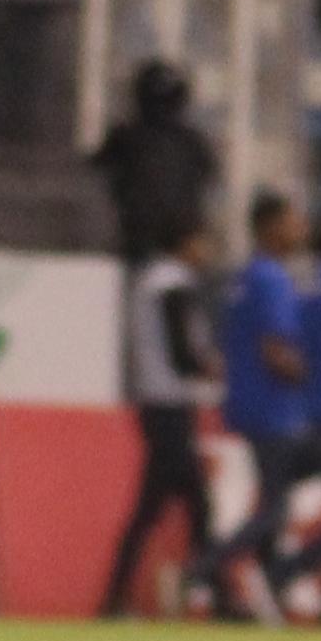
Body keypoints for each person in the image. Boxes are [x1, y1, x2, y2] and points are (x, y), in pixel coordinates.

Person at [210, 191, 321, 624]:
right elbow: (277, 352)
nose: (302, 229)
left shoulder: (244, 276)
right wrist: (320, 378)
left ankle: (264, 598)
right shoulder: (272, 278)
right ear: (270, 226)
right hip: (275, 409)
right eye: (294, 220)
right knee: (276, 508)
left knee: (277, 501)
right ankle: (203, 568)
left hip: (247, 402)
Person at [102, 212, 219, 618]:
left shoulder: (149, 282)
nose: (206, 252)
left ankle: (118, 598)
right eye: (202, 242)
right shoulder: (172, 284)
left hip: (157, 402)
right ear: (185, 242)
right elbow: (180, 350)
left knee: (181, 505)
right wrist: (211, 368)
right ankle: (214, 594)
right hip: (168, 403)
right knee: (180, 506)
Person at [84, 57, 216, 262]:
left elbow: (95, 171)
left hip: (162, 247)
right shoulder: (191, 141)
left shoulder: (127, 136)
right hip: (154, 246)